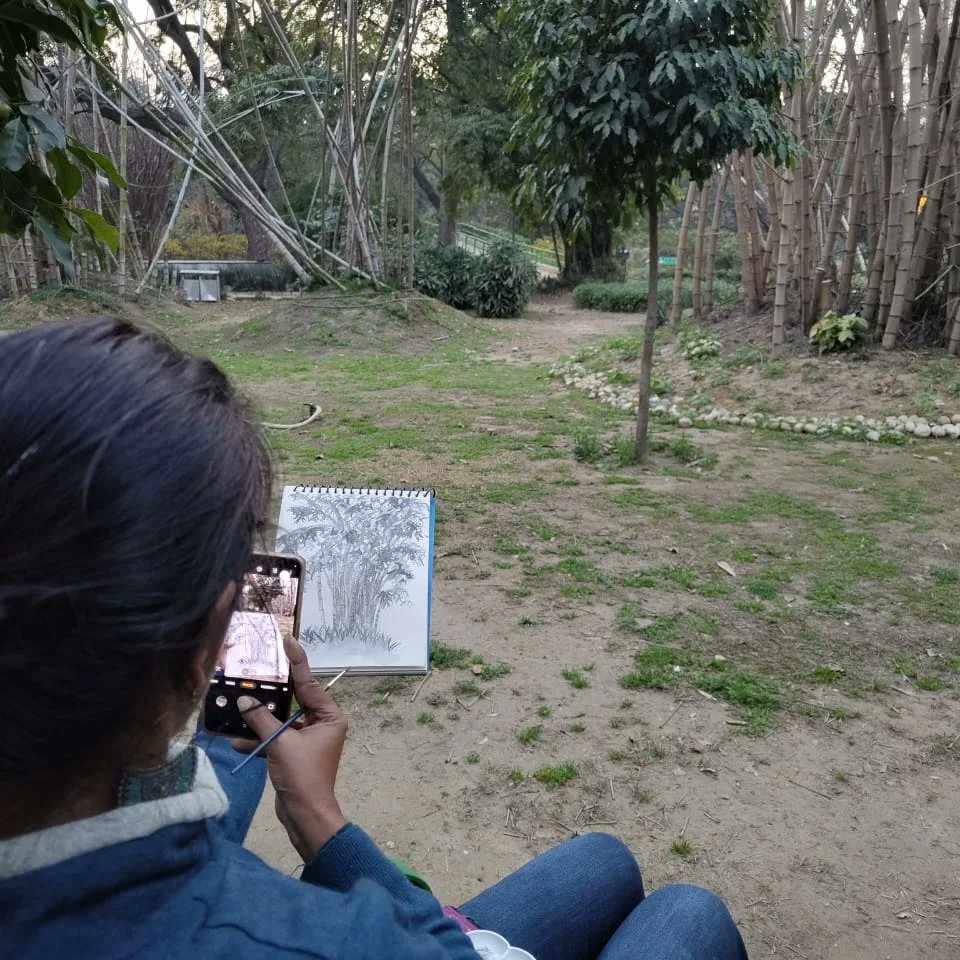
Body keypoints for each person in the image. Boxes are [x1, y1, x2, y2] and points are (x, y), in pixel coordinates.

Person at [0, 318, 748, 960]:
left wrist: (233, 743)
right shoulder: (329, 940)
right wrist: (324, 824)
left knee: (604, 863)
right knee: (687, 912)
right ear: (212, 634)